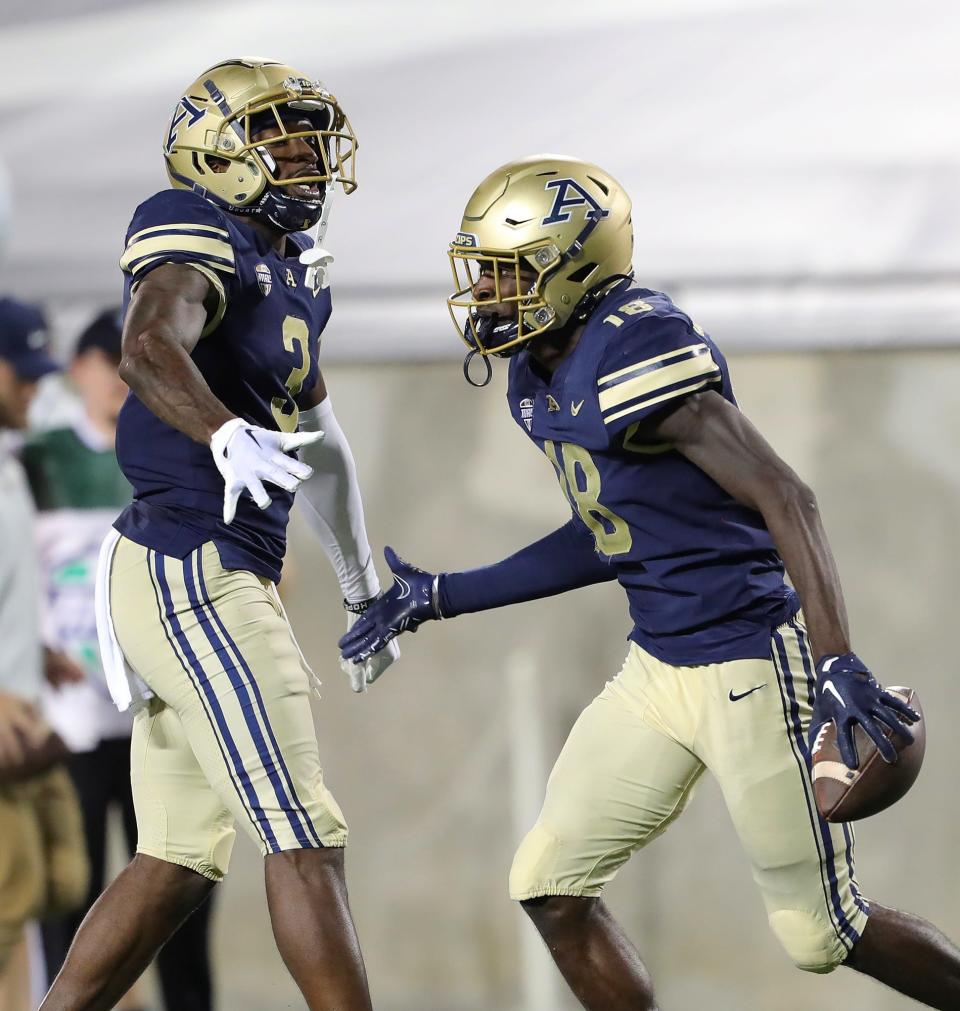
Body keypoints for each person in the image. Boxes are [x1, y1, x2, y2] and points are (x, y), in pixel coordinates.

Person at [340, 154, 960, 1010]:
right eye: (483, 270)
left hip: (750, 663)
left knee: (823, 933)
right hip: (658, 667)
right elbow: (608, 534)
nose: (485, 292)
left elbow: (788, 493)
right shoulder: (537, 367)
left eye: (507, 272)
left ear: (574, 269)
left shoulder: (637, 346)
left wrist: (835, 659)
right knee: (549, 883)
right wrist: (442, 593)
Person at [41, 57, 397, 1011]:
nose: (307, 154)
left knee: (177, 855)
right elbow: (149, 345)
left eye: (308, 133)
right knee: (303, 830)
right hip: (190, 563)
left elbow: (320, 443)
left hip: (208, 563)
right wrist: (224, 431)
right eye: (281, 133)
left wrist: (364, 581)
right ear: (220, 148)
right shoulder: (190, 225)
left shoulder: (292, 273)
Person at [24, 308, 215, 1011]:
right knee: (70, 895)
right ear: (81, 369)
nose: (120, 381)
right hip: (69, 721)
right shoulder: (37, 461)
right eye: (109, 363)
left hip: (155, 714)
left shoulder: (167, 451)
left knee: (180, 885)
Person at [0, 297, 89, 1011]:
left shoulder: (9, 464)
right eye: (18, 371)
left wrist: (41, 647)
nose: (33, 386)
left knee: (56, 885)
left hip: (25, 716)